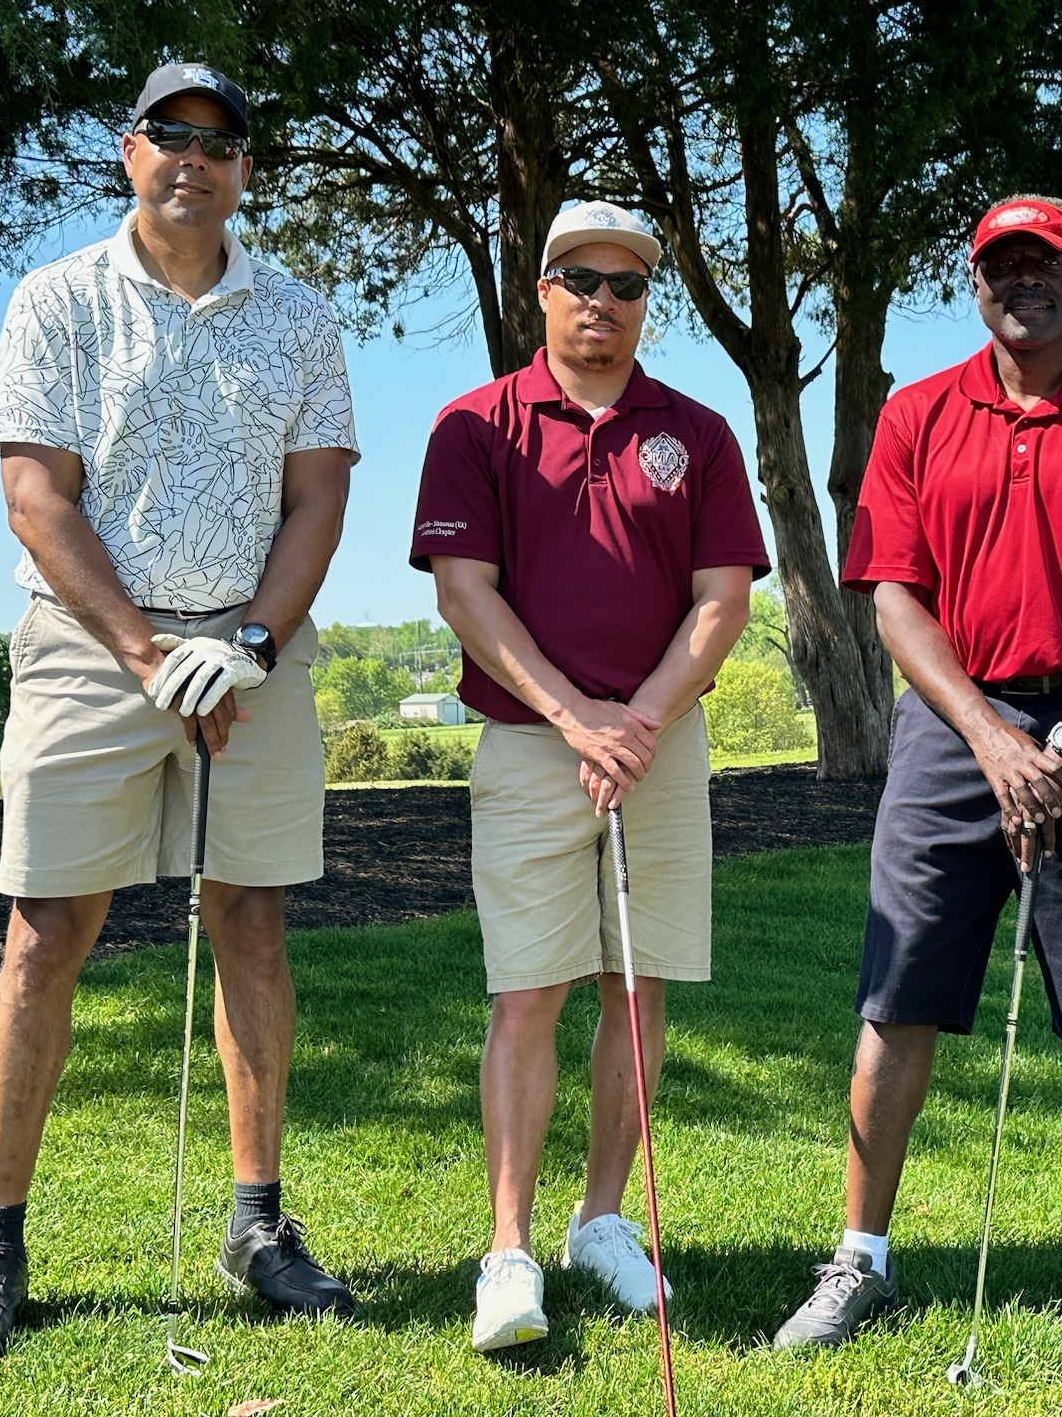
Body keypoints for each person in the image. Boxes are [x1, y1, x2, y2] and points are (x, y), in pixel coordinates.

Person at [0, 63, 360, 1364]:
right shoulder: (55, 298)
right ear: (130, 152)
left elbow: (319, 498)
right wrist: (145, 651)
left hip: (251, 654)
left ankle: (257, 1226)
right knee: (45, 933)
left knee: (253, 924)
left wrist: (255, 647)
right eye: (171, 134)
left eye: (220, 142)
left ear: (245, 170)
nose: (193, 158)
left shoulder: (300, 315)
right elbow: (35, 498)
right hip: (87, 648)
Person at [773, 196, 1062, 1350]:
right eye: (1002, 265)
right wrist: (987, 737)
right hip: (949, 723)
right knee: (897, 990)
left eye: (1046, 263)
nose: (1024, 281)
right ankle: (858, 1257)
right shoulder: (917, 413)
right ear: (974, 283)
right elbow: (892, 596)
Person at [410, 201, 770, 1352]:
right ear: (543, 291)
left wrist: (640, 718)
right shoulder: (475, 425)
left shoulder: (696, 433)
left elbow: (723, 599)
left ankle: (601, 1221)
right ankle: (509, 1250)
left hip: (658, 744)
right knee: (528, 993)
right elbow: (464, 593)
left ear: (644, 302)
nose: (602, 302)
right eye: (581, 280)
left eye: (626, 285)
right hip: (530, 743)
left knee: (638, 986)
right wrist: (577, 718)